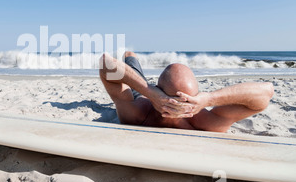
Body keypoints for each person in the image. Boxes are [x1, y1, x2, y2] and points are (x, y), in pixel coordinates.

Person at [99, 51, 274, 132]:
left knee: (138, 79)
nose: (179, 108)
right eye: (171, 101)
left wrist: (209, 99)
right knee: (137, 78)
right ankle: (131, 56)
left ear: (196, 96)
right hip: (144, 93)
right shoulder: (138, 111)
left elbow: (266, 92)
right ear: (158, 96)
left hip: (152, 93)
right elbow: (106, 62)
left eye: (187, 101)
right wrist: (150, 93)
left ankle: (134, 64)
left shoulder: (208, 122)